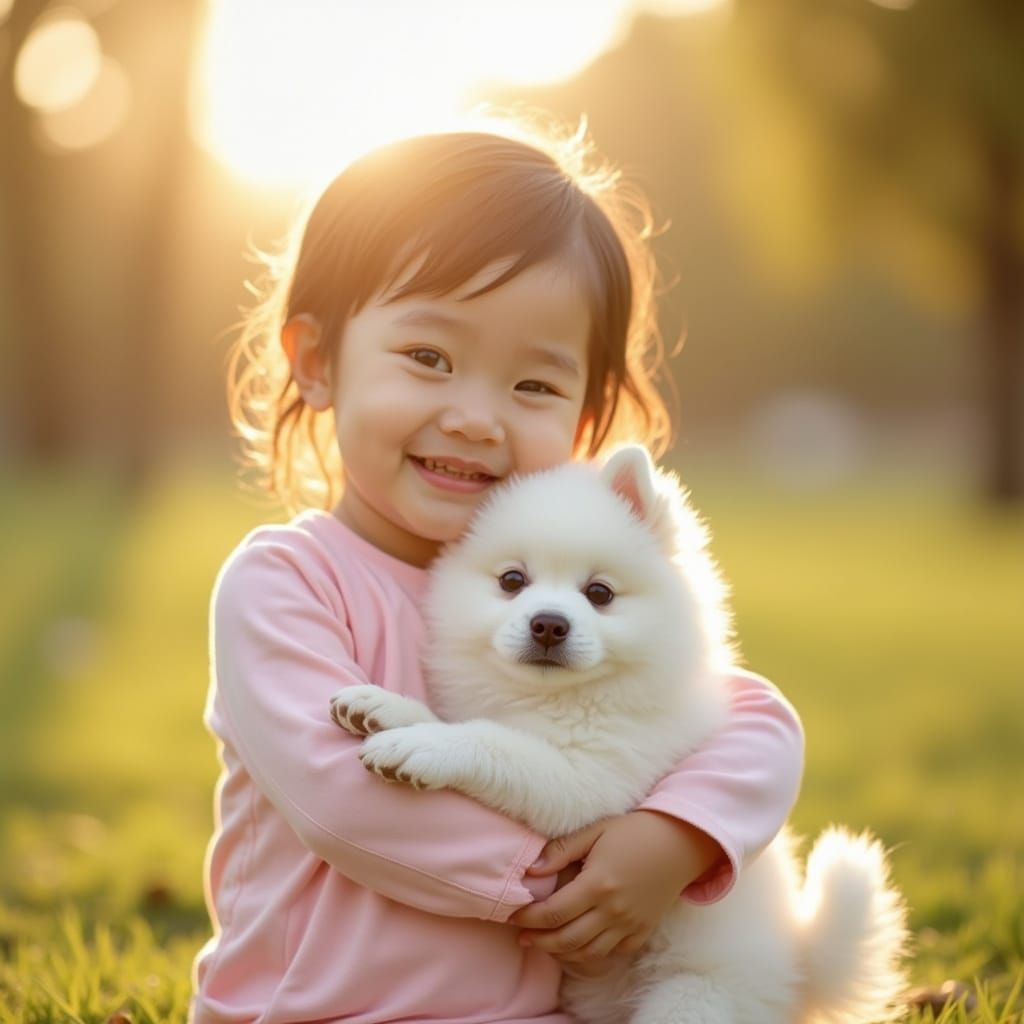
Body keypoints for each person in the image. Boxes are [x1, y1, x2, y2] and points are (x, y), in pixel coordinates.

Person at [191, 119, 804, 1024]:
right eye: (429, 358)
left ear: (586, 419)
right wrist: (574, 885)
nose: (476, 417)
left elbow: (751, 721)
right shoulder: (285, 584)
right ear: (318, 363)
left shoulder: (565, 591)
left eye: (533, 385)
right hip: (313, 1010)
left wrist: (672, 841)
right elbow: (344, 806)